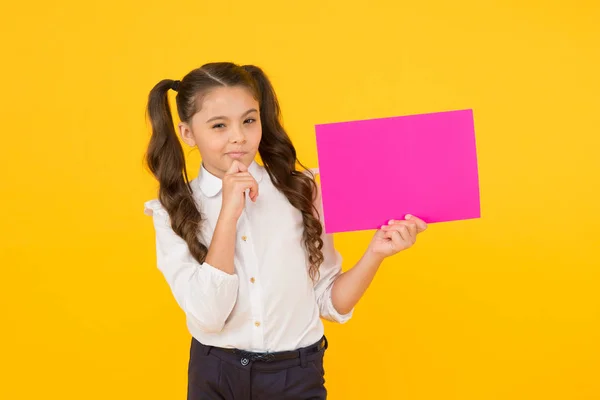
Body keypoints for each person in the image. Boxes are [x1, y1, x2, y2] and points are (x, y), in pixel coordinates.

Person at [143, 62, 427, 400]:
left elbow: (328, 300)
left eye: (249, 120)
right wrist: (228, 215)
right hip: (216, 376)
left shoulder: (303, 191)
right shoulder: (170, 210)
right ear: (188, 133)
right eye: (219, 125)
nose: (239, 136)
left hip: (297, 376)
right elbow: (209, 315)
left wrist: (376, 252)